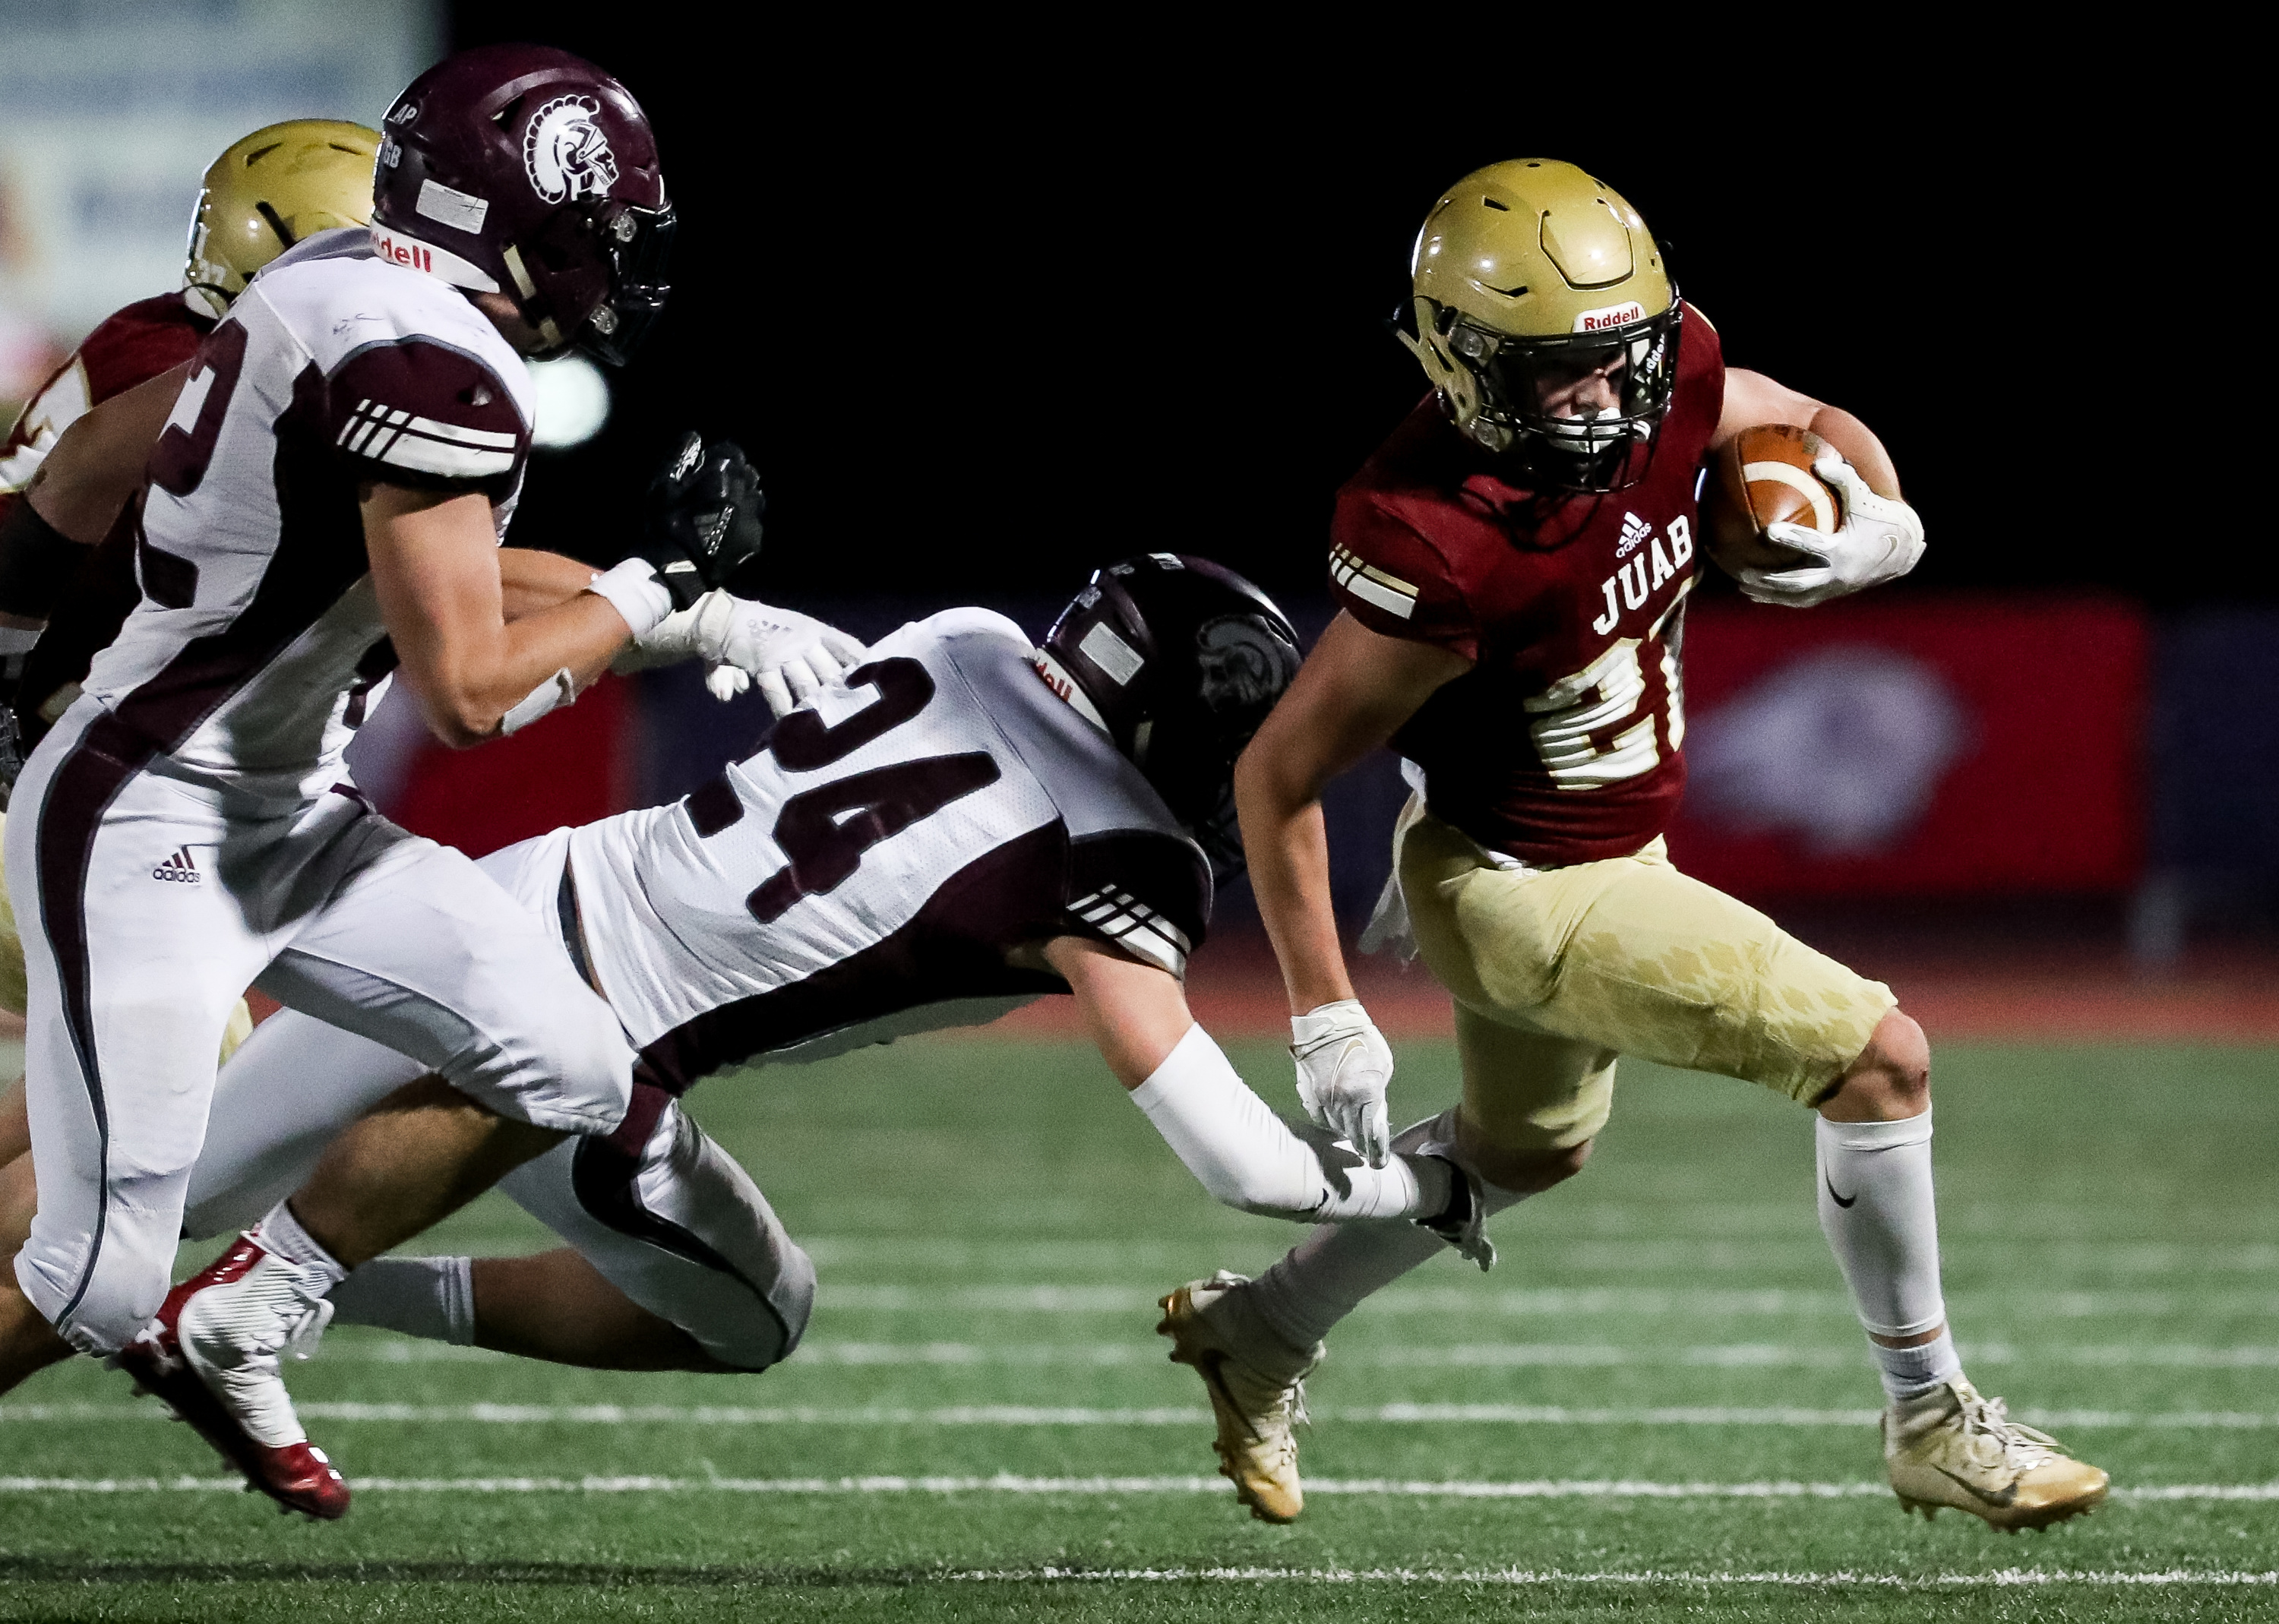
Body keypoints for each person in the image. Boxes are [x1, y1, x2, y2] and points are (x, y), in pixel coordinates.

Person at [1152, 159, 2109, 1532]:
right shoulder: (1436, 529)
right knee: (1881, 1059)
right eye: (1554, 375)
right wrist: (1324, 1012)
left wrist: (1874, 531)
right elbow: (1281, 771)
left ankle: (1260, 1328)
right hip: (1519, 886)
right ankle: (1932, 1414)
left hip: (1609, 854)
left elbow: (1818, 420)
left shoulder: (1670, 372)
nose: (1603, 396)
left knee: (1525, 1149)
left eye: (1618, 361)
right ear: (1465, 363)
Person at [20, 557, 1481, 1379]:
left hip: (505, 896)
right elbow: (1241, 1164)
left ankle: (266, 1261)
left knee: (135, 1181)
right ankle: (299, 1277)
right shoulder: (1120, 865)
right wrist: (1422, 1188)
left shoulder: (965, 631)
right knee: (755, 1315)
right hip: (588, 1060)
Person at [0, 46, 796, 1520]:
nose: (613, 266)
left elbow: (85, 484)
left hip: (291, 817)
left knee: (568, 1059)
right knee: (92, 1278)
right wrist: (662, 582)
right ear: (517, 215)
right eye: (597, 230)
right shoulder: (424, 358)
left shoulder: (345, 279)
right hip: (145, 815)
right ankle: (195, 1272)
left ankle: (265, 1294)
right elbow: (474, 692)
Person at [0, 119, 383, 1064]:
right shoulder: (200, 376)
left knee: (161, 1064)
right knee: (196, 1051)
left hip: (67, 760)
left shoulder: (166, 339)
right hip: (36, 761)